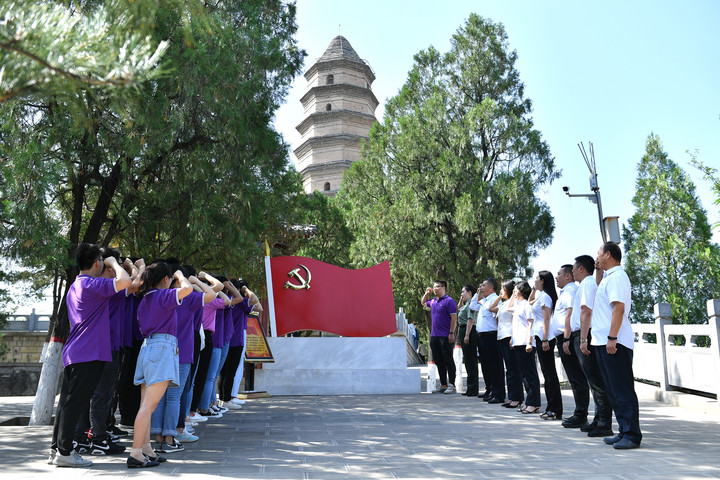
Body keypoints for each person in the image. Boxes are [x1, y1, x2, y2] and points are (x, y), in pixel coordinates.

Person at [50, 243, 131, 468]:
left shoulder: (77, 285)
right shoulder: (92, 285)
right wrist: (114, 263)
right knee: (75, 403)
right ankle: (65, 452)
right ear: (97, 263)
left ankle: (56, 448)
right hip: (88, 353)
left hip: (75, 352)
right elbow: (125, 281)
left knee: (67, 402)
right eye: (102, 261)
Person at [128, 261, 192, 468]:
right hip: (162, 348)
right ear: (165, 279)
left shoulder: (146, 297)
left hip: (148, 347)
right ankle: (136, 453)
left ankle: (146, 448)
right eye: (170, 278)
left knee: (145, 405)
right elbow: (188, 289)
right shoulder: (162, 295)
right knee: (149, 406)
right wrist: (181, 276)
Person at [592, 242, 642, 449]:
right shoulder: (608, 277)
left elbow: (618, 309)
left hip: (615, 342)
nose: (597, 257)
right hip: (604, 341)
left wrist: (612, 338)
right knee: (613, 390)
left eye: (599, 253)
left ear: (608, 254)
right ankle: (623, 431)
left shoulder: (618, 277)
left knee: (622, 390)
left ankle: (632, 434)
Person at [568, 255, 613, 437]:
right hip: (583, 334)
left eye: (574, 268)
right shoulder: (588, 283)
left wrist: (583, 339)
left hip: (585, 334)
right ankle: (598, 419)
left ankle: (604, 423)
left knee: (596, 381)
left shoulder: (587, 284)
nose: (572, 272)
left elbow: (586, 311)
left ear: (581, 269)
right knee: (593, 381)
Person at [530, 270, 562, 420]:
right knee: (547, 373)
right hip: (540, 336)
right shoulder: (541, 295)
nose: (534, 280)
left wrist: (544, 339)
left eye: (536, 278)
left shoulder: (545, 297)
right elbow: (530, 302)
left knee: (550, 374)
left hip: (545, 338)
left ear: (542, 281)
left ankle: (554, 409)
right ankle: (551, 407)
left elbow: (546, 319)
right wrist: (533, 289)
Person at [489, 280, 523, 409]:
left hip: (509, 336)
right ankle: (512, 397)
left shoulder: (513, 303)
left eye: (502, 289)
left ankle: (517, 398)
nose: (500, 291)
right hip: (501, 337)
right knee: (508, 369)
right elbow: (491, 308)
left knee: (513, 369)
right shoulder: (503, 304)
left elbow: (516, 320)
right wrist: (499, 297)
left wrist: (513, 337)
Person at [509, 281, 540, 414]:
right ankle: (529, 402)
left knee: (530, 374)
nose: (514, 292)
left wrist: (529, 342)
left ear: (522, 291)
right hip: (518, 342)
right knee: (524, 375)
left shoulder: (527, 305)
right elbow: (509, 309)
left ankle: (534, 403)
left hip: (525, 343)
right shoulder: (518, 305)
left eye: (515, 290)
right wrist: (512, 339)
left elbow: (531, 323)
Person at [421, 280, 458, 394]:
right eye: (434, 287)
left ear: (443, 288)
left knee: (448, 360)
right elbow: (423, 302)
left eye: (437, 287)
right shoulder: (433, 301)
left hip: (445, 336)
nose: (435, 289)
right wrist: (426, 293)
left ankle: (451, 384)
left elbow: (454, 318)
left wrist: (451, 333)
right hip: (434, 336)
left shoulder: (449, 301)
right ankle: (443, 384)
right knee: (439, 361)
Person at [476, 278, 505, 403]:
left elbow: (498, 319)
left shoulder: (494, 299)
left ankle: (498, 394)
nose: (481, 287)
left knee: (495, 366)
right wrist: (479, 294)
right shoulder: (485, 300)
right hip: (482, 336)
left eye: (483, 285)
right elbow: (476, 302)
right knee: (486, 365)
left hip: (492, 336)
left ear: (490, 287)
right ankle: (490, 389)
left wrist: (499, 336)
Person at [457, 285, 479, 397]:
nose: (461, 294)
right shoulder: (466, 304)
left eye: (463, 292)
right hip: (464, 329)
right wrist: (461, 299)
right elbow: (459, 309)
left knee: (470, 360)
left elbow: (470, 320)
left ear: (469, 293)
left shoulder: (471, 303)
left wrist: (467, 335)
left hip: (468, 330)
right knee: (468, 360)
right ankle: (471, 388)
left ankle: (473, 388)